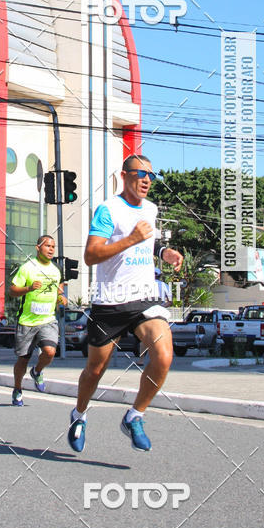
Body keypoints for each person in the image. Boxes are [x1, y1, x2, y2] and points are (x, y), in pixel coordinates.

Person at [67, 154, 183, 454]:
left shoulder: (152, 209)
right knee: (95, 370)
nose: (146, 180)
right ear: (124, 175)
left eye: (151, 176)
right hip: (110, 301)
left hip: (144, 298)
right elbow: (91, 255)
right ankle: (79, 415)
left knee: (164, 355)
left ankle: (135, 416)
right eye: (140, 174)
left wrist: (165, 252)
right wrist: (130, 239)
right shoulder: (109, 209)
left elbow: (150, 242)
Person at [9, 235, 66, 406]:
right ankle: (18, 389)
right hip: (27, 321)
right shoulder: (27, 268)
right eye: (47, 246)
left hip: (48, 319)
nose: (51, 249)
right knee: (23, 359)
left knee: (50, 352)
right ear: (38, 247)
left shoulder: (57, 269)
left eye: (53, 247)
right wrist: (28, 288)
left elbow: (59, 289)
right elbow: (12, 290)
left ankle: (37, 371)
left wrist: (61, 298)